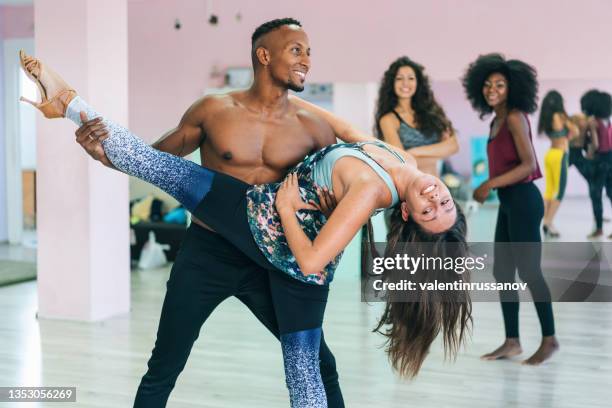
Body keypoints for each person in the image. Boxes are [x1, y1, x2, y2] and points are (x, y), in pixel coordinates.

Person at [21, 44, 472, 405]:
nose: (435, 198)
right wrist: (293, 99)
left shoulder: (374, 191)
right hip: (253, 213)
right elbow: (350, 133)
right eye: (443, 202)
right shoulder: (403, 159)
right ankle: (67, 102)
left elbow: (313, 258)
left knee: (305, 375)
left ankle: (68, 104)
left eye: (430, 211)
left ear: (409, 214)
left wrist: (289, 210)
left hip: (284, 252)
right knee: (158, 166)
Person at [23, 18, 353, 408]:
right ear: (264, 55)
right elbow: (155, 160)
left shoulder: (315, 128)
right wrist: (103, 153)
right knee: (164, 365)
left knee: (318, 365)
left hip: (268, 259)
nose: (307, 61)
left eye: (309, 52)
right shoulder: (214, 110)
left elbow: (325, 196)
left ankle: (65, 101)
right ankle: (64, 103)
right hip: (207, 253)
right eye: (297, 50)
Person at [462, 53, 559, 365]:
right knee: (502, 271)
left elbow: (529, 163)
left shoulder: (515, 117)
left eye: (500, 85)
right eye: (488, 85)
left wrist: (488, 184)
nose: (492, 90)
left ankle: (549, 338)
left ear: (512, 88)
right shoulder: (496, 120)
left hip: (524, 200)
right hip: (508, 203)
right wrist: (494, 187)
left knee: (530, 271)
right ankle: (512, 341)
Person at [374, 56, 458, 177]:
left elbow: (453, 145)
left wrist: (415, 152)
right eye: (399, 78)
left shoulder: (431, 112)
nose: (405, 83)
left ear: (418, 82)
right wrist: (439, 153)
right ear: (392, 83)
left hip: (437, 186)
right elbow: (402, 161)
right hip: (410, 188)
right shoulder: (388, 119)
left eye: (411, 78)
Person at [536, 90, 579, 238]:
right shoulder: (559, 116)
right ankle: (548, 222)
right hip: (560, 155)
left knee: (549, 190)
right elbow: (575, 131)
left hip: (550, 154)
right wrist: (570, 131)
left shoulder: (547, 118)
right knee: (559, 192)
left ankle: (547, 222)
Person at [579, 90, 612, 239]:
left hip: (599, 161)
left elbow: (596, 144)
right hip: (610, 159)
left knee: (596, 194)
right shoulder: (608, 120)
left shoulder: (594, 122)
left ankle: (599, 229)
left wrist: (589, 154)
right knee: (611, 194)